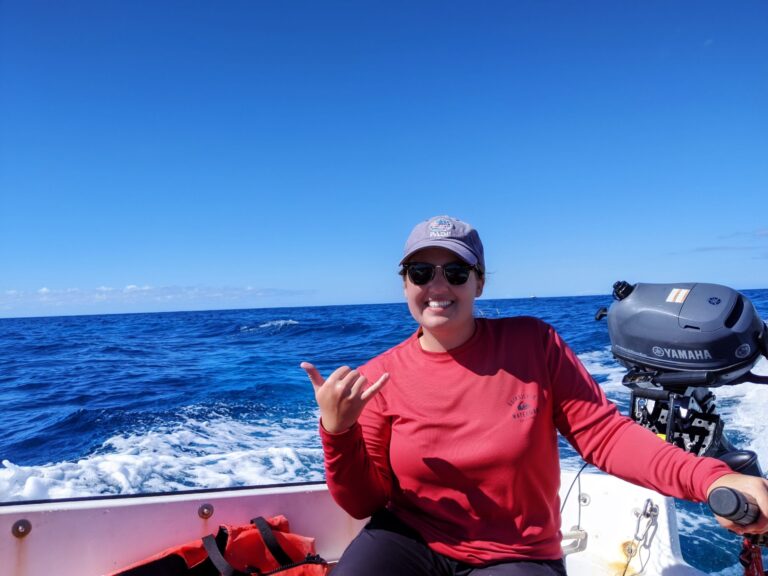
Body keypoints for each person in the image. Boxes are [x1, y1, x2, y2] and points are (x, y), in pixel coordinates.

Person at [300, 215, 768, 575]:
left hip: (515, 552)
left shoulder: (533, 344)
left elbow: (605, 436)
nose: (438, 287)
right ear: (405, 284)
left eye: (457, 272)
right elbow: (363, 504)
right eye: (421, 272)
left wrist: (709, 479)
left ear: (479, 282)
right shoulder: (381, 376)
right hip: (412, 537)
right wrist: (337, 432)